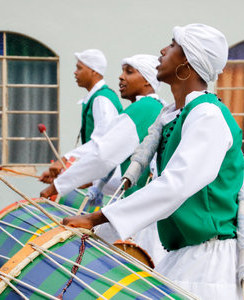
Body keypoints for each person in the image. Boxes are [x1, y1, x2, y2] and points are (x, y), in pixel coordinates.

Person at [62, 24, 244, 299]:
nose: (163, 51)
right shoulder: (175, 116)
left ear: (187, 62)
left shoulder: (208, 116)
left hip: (207, 267)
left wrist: (97, 218)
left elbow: (175, 185)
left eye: (173, 45)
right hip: (185, 258)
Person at [40, 54, 167, 263]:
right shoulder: (154, 107)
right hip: (145, 210)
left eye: (129, 72)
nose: (120, 77)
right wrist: (93, 181)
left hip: (146, 215)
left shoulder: (144, 108)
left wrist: (59, 185)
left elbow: (103, 153)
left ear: (146, 80)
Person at [39, 49, 122, 183]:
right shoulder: (95, 98)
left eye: (79, 68)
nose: (75, 72)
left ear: (94, 71)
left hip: (110, 180)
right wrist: (63, 175)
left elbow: (102, 143)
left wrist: (65, 159)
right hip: (101, 177)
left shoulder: (102, 99)